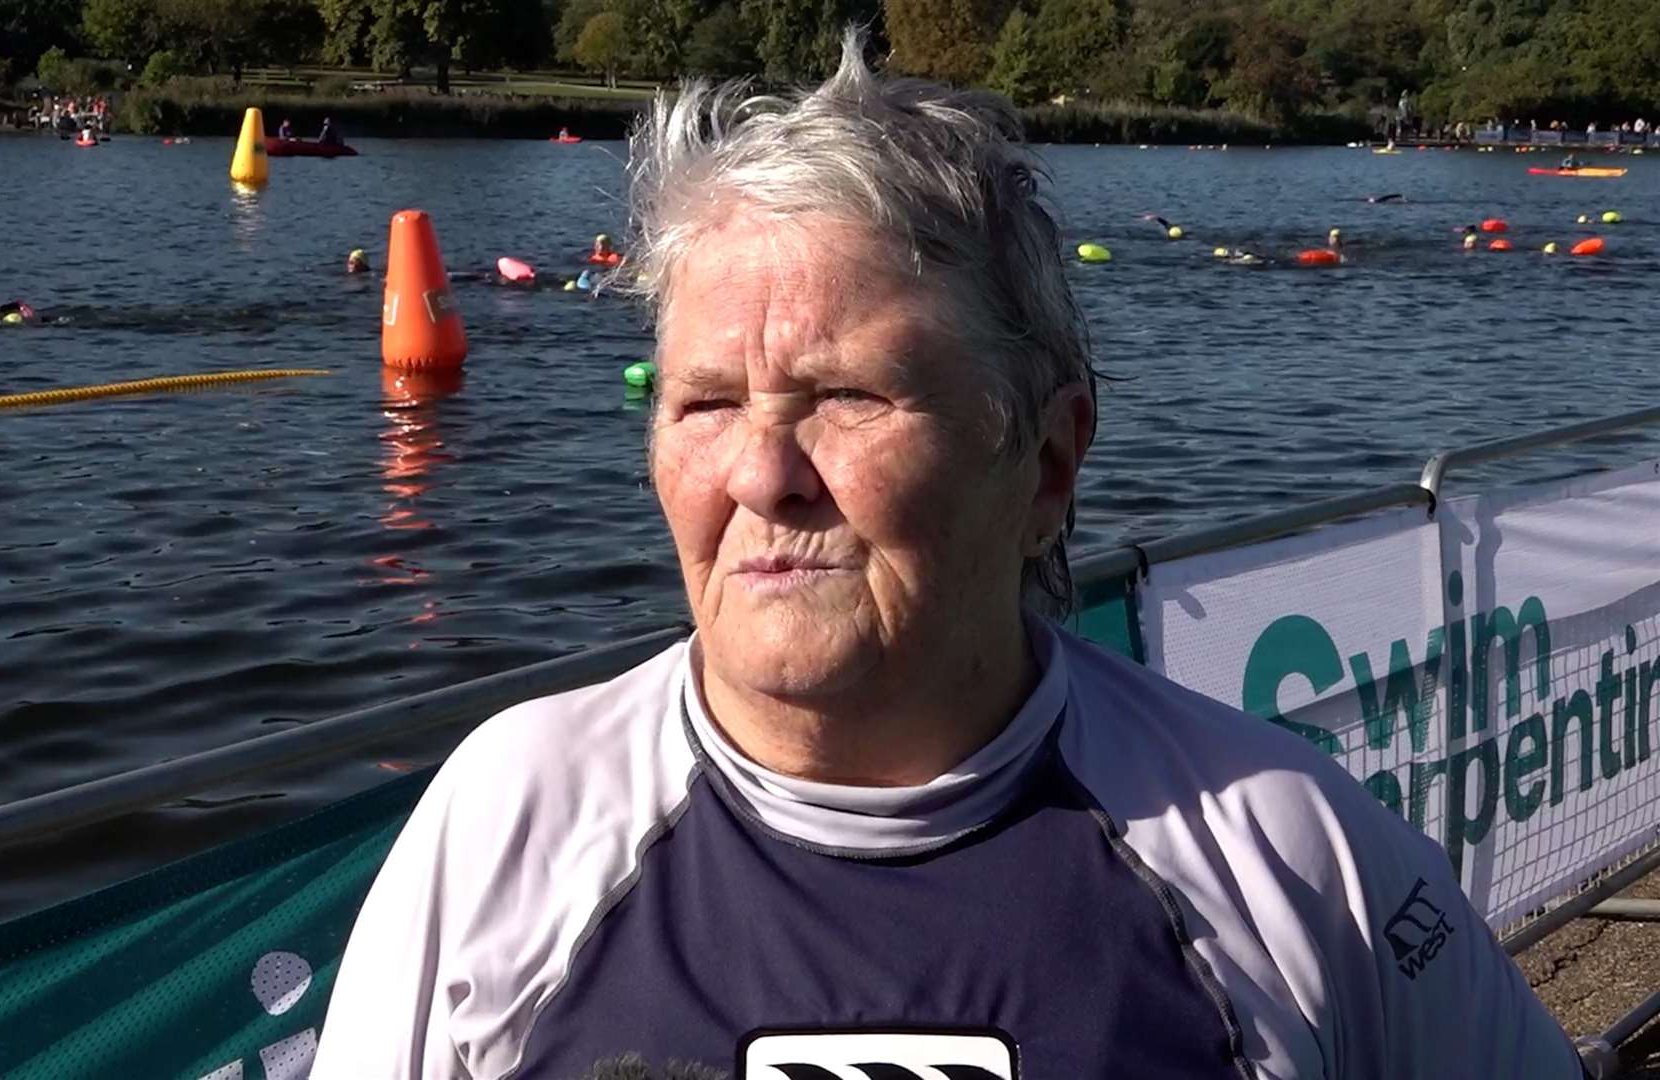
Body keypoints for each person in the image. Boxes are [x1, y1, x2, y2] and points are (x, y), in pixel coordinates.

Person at [313, 28, 1583, 1080]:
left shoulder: (1290, 855)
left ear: (1047, 462)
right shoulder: (507, 824)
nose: (761, 474)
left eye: (851, 397)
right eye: (704, 405)